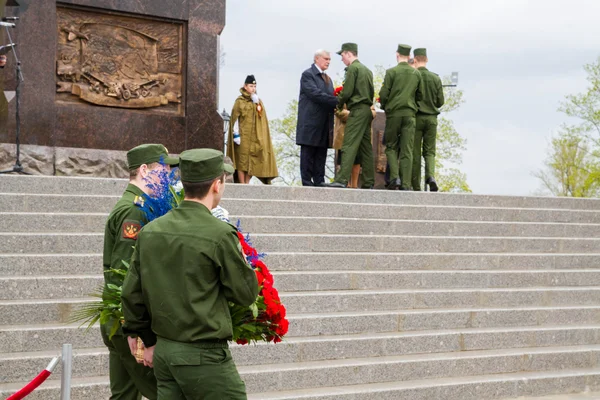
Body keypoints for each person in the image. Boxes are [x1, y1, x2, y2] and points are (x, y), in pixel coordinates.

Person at [121, 148, 259, 400]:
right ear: (217, 185)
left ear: (184, 184)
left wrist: (148, 341)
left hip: (164, 352)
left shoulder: (151, 231)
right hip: (203, 357)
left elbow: (131, 294)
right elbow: (245, 294)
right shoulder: (219, 234)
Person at [102, 143, 178, 400]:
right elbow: (123, 273)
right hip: (128, 323)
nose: (169, 175)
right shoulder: (135, 210)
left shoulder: (139, 205)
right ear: (144, 170)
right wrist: (134, 327)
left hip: (120, 321)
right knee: (165, 393)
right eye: (164, 168)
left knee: (124, 395)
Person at [326, 43, 375, 189]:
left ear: (348, 54)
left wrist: (339, 104)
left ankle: (341, 180)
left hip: (357, 111)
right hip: (366, 110)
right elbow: (371, 92)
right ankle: (369, 182)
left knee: (348, 145)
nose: (342, 59)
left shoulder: (352, 69)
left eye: (342, 56)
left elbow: (347, 92)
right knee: (366, 148)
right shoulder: (367, 70)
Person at [379, 44, 423, 190]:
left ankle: (394, 178)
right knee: (407, 150)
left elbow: (384, 94)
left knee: (391, 146)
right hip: (410, 115)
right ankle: (405, 183)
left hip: (394, 114)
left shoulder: (391, 72)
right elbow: (420, 96)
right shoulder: (416, 74)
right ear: (409, 57)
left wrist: (386, 107)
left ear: (397, 55)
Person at [296, 50, 338, 186]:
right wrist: (336, 100)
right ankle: (307, 181)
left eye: (329, 59)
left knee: (321, 152)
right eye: (326, 59)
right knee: (308, 152)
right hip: (310, 122)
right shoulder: (308, 75)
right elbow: (315, 94)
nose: (328, 62)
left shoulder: (327, 79)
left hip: (324, 122)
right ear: (317, 59)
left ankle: (320, 180)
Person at [227, 75, 278, 184]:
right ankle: (242, 183)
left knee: (252, 161)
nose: (253, 88)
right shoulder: (239, 101)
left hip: (255, 137)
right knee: (242, 161)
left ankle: (247, 183)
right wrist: (236, 134)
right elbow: (235, 119)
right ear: (245, 86)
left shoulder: (257, 101)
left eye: (254, 86)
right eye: (251, 86)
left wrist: (257, 104)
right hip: (243, 136)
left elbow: (262, 120)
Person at [411, 48, 445, 191]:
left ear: (414, 60)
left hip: (417, 117)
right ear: (427, 59)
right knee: (430, 151)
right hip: (431, 119)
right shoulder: (435, 78)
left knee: (415, 151)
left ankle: (416, 184)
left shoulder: (413, 76)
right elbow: (440, 101)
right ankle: (430, 176)